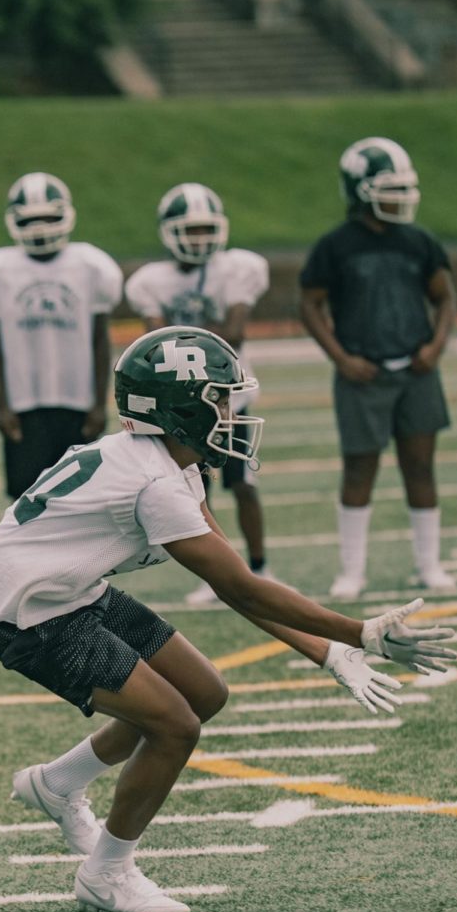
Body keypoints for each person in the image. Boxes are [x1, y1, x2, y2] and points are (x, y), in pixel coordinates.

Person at [0, 326, 456, 912]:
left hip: (66, 591)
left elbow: (239, 585)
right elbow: (241, 587)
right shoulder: (156, 484)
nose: (230, 411)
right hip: (22, 614)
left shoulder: (171, 461)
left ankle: (58, 782)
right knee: (174, 726)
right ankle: (107, 873)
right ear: (176, 408)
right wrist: (359, 632)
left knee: (203, 692)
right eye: (217, 399)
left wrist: (327, 651)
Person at [300, 136, 457, 600]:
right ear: (360, 190)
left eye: (402, 188)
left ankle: (429, 565)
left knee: (421, 467)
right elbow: (309, 304)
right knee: (359, 469)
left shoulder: (419, 241)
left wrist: (436, 346)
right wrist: (341, 357)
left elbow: (445, 297)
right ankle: (353, 572)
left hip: (416, 370)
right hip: (362, 374)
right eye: (389, 188)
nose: (399, 198)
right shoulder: (336, 245)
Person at [125, 183, 273, 605]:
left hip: (230, 401)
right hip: (184, 408)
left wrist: (185, 343)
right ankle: (220, 576)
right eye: (190, 230)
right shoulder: (151, 281)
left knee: (243, 484)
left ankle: (261, 568)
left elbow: (237, 334)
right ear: (169, 232)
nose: (199, 239)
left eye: (206, 228)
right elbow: (154, 344)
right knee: (197, 492)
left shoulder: (239, 268)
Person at [0, 172, 122, 500]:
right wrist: (3, 407)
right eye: (32, 219)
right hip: (25, 403)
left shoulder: (91, 266)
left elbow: (99, 341)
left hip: (77, 401)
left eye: (48, 217)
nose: (40, 227)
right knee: (27, 502)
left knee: (83, 501)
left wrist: (97, 403)